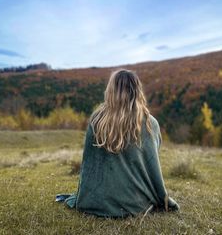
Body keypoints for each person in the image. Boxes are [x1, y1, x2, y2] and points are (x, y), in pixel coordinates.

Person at [56, 69, 179, 217]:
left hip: (95, 201)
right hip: (136, 204)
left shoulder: (97, 119)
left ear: (110, 90)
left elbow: (89, 167)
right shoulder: (150, 123)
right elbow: (151, 161)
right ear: (137, 90)